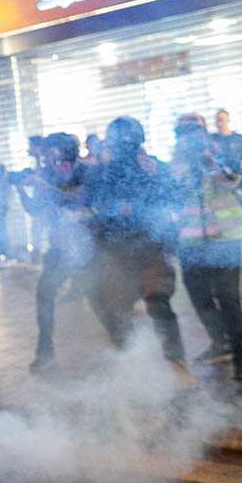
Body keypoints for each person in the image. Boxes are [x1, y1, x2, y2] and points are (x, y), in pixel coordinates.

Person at [85, 116, 192, 380]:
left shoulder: (154, 167)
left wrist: (156, 176)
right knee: (113, 307)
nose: (124, 150)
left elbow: (176, 196)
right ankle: (130, 360)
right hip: (119, 251)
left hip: (150, 246)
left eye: (128, 144)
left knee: (158, 302)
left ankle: (176, 363)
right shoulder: (104, 172)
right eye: (119, 144)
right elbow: (94, 203)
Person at [173, 113, 242, 380]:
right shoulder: (176, 162)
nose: (188, 138)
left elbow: (235, 179)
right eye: (183, 133)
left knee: (229, 298)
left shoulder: (220, 152)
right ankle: (220, 341)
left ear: (203, 132)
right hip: (191, 241)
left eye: (193, 131)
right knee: (199, 296)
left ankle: (241, 357)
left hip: (225, 239)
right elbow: (170, 195)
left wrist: (212, 162)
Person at [17, 132, 95, 371]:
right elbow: (36, 210)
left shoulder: (84, 172)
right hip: (60, 250)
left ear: (65, 150)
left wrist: (46, 186)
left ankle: (126, 349)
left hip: (87, 249)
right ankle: (45, 352)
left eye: (52, 150)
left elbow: (81, 200)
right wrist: (21, 191)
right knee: (44, 296)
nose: (46, 155)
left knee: (102, 303)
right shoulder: (47, 175)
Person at [212, 109, 242, 209]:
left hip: (238, 187)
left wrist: (239, 180)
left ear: (228, 120)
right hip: (218, 189)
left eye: (222, 120)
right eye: (217, 121)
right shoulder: (212, 140)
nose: (219, 124)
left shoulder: (239, 140)